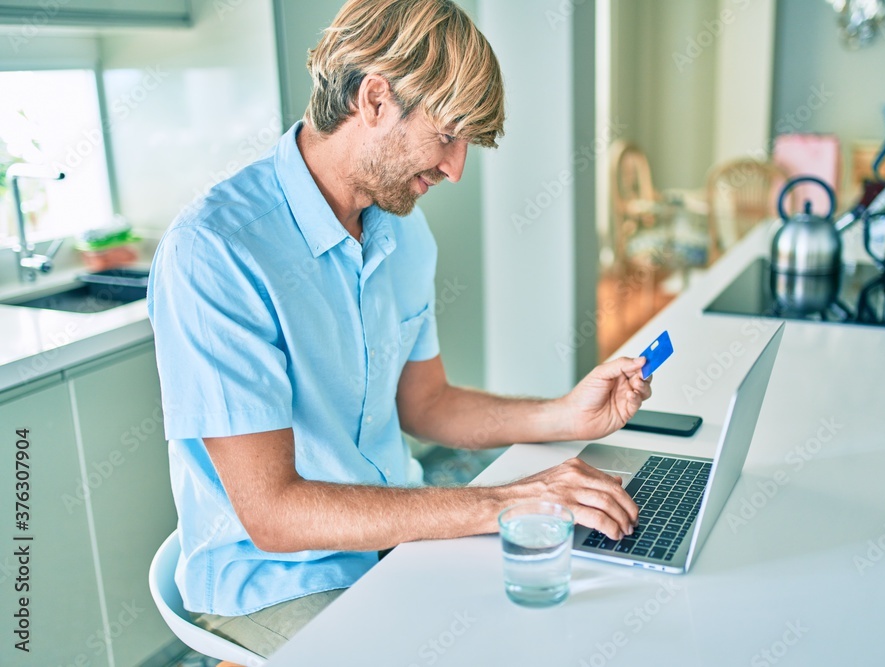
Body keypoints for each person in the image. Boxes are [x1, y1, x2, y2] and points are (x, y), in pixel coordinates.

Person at [147, 0, 651, 657]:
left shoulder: (403, 233)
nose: (456, 168)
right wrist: (511, 497)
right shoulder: (216, 252)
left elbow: (426, 403)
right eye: (448, 135)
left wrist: (565, 414)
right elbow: (273, 513)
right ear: (376, 99)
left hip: (393, 537)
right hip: (274, 582)